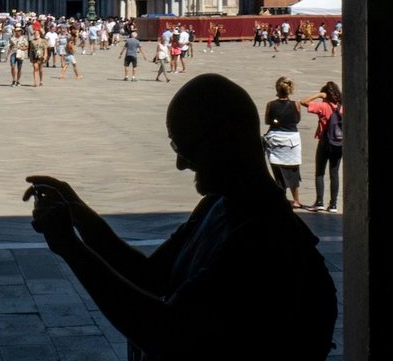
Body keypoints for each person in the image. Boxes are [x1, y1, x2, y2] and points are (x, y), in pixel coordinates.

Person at [24, 73, 337, 361]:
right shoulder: (217, 205)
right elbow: (149, 275)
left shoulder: (267, 240)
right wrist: (81, 215)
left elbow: (165, 332)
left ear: (225, 141)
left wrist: (71, 248)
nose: (179, 164)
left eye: (186, 148)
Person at [299, 82, 343, 213]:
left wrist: (319, 95)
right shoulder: (341, 107)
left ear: (326, 94)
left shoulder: (323, 106)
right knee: (334, 173)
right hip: (339, 143)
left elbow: (303, 101)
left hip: (325, 143)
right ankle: (333, 204)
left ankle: (319, 202)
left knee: (320, 173)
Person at [263, 76, 303, 208]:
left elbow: (267, 121)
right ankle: (296, 200)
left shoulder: (270, 104)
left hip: (276, 139)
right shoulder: (296, 104)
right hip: (292, 141)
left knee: (278, 171)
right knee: (293, 171)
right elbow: (297, 120)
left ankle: (281, 198)